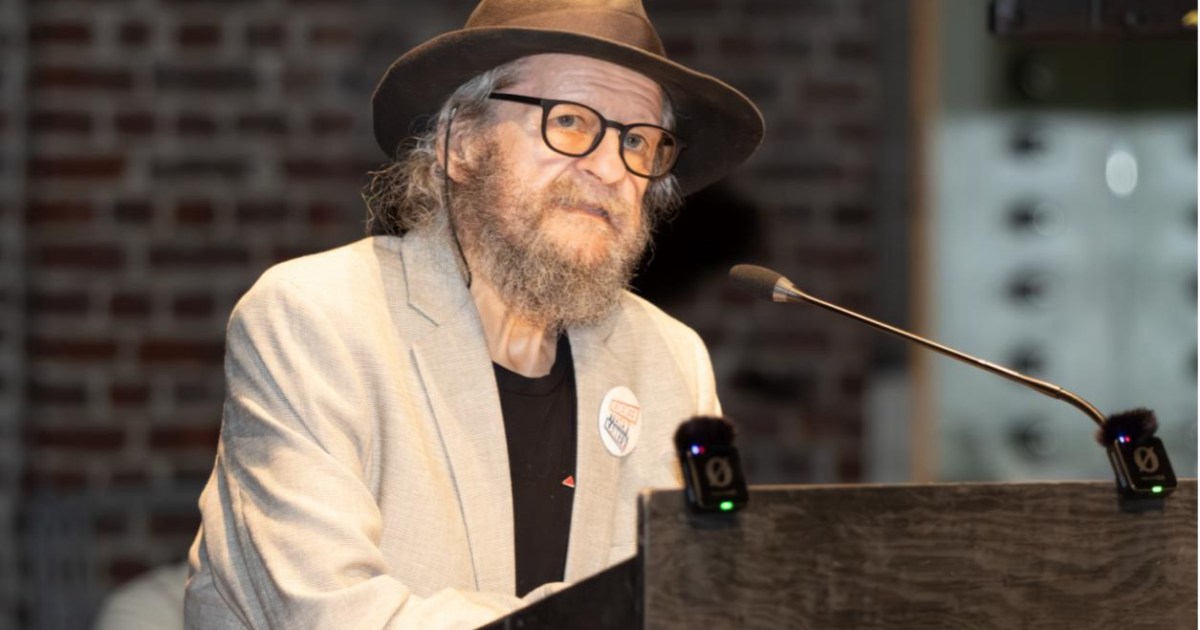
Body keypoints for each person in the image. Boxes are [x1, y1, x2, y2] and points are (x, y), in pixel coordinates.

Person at [183, 0, 763, 628]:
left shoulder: (671, 359)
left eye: (637, 141)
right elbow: (333, 613)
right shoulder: (316, 318)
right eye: (570, 122)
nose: (608, 167)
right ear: (460, 142)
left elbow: (713, 594)